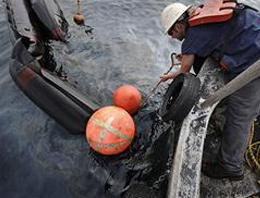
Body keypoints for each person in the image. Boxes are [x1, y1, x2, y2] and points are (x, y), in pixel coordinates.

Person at [160, 1, 260, 181]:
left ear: (180, 25)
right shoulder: (201, 13)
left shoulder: (192, 36)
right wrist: (190, 51)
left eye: (172, 33)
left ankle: (230, 167)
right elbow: (210, 37)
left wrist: (170, 77)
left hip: (254, 59)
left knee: (239, 117)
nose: (173, 38)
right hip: (253, 32)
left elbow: (184, 70)